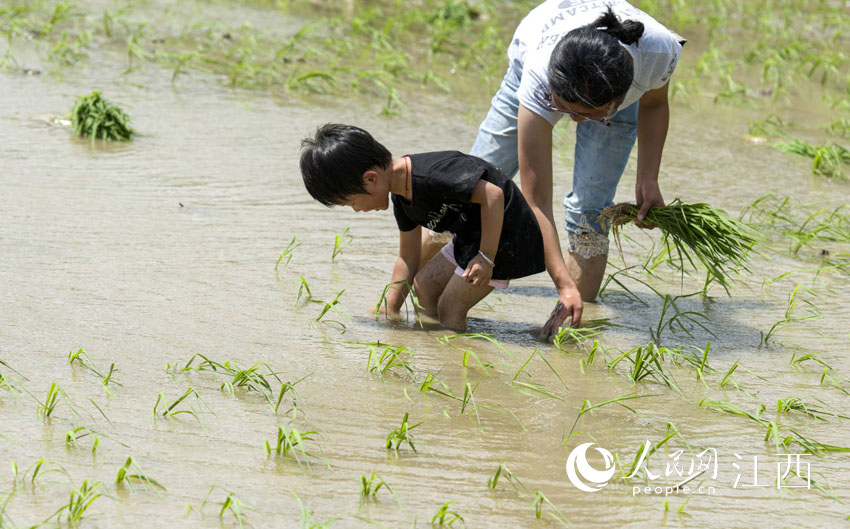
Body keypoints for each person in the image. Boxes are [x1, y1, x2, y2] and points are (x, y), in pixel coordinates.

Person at [463, 1, 685, 336]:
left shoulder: (657, 52)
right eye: (566, 109)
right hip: (543, 63)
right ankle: (412, 293)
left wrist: (648, 178)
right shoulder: (541, 77)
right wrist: (561, 281)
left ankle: (566, 334)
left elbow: (654, 103)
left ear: (620, 99)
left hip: (609, 83)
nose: (573, 120)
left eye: (585, 114)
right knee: (469, 186)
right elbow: (536, 203)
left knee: (590, 214)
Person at [300, 124, 546, 331]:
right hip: (473, 234)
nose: (355, 209)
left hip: (507, 237)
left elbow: (494, 195)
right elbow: (408, 258)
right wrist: (390, 308)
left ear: (370, 179)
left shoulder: (432, 175)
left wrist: (485, 258)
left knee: (449, 308)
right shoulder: (401, 198)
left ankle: (458, 368)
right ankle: (432, 347)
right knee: (424, 285)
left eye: (351, 202)